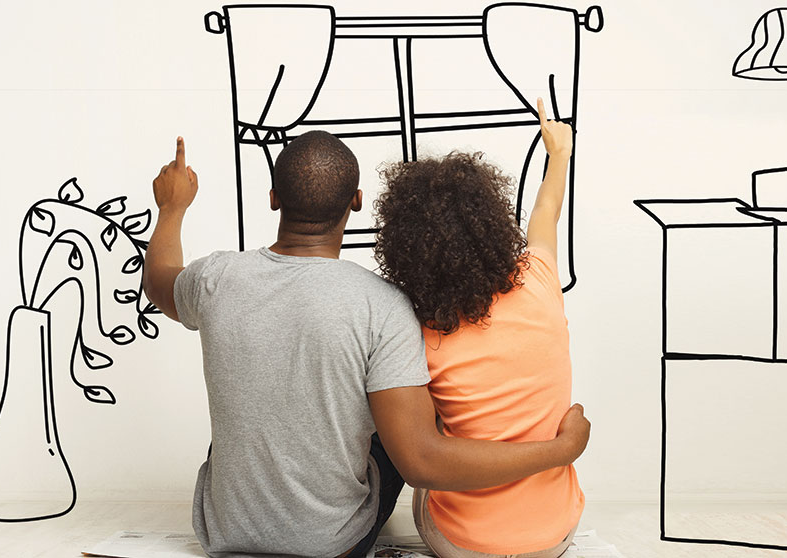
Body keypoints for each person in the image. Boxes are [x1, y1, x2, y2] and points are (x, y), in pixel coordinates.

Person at [143, 131, 590, 557]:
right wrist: (559, 450)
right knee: (397, 418)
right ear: (356, 203)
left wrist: (172, 206)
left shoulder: (214, 279)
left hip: (225, 536)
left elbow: (159, 281)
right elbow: (419, 461)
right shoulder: (384, 306)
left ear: (274, 197)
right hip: (335, 547)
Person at [372, 99, 582, 557]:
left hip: (462, 543)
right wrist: (559, 153)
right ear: (491, 222)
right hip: (555, 536)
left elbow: (419, 455)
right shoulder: (541, 276)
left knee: (403, 423)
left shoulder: (416, 328)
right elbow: (546, 214)